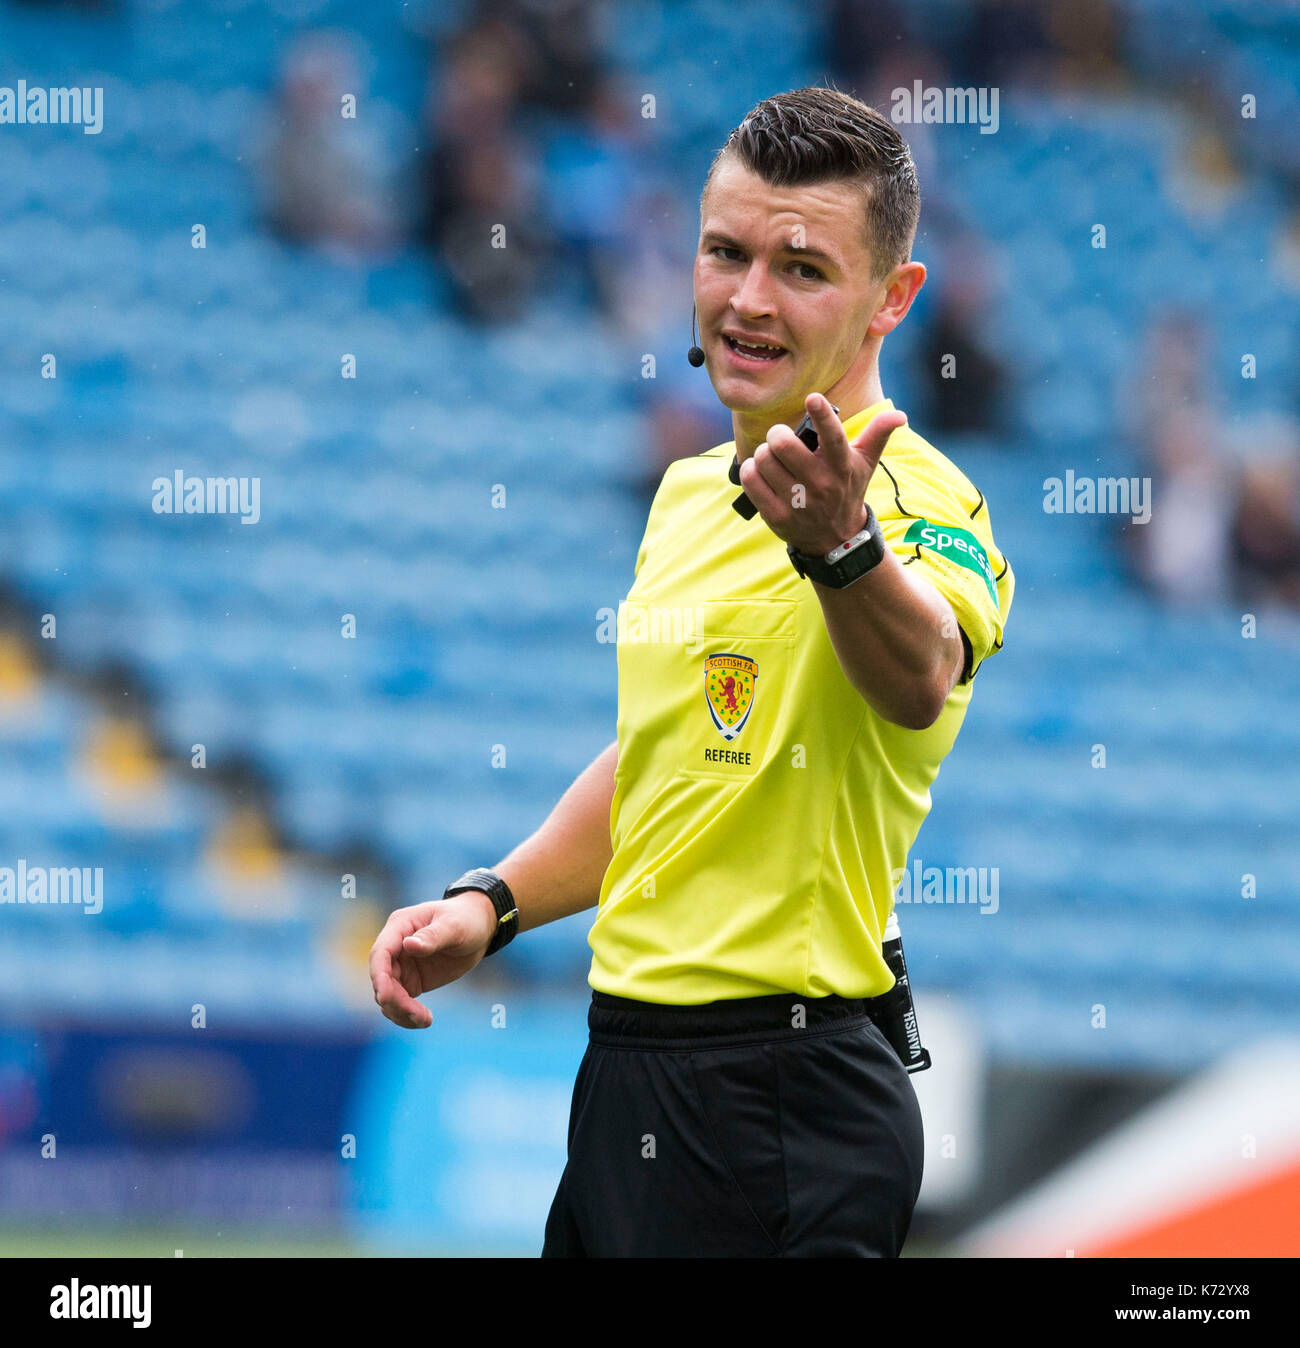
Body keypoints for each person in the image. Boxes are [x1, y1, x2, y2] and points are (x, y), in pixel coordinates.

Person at [369, 87, 1014, 1257]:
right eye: (725, 252)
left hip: (787, 1094)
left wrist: (843, 548)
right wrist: (492, 904)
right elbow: (664, 765)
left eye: (803, 268)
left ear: (892, 299)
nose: (749, 298)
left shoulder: (917, 501)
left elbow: (923, 669)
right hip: (625, 1075)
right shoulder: (683, 493)